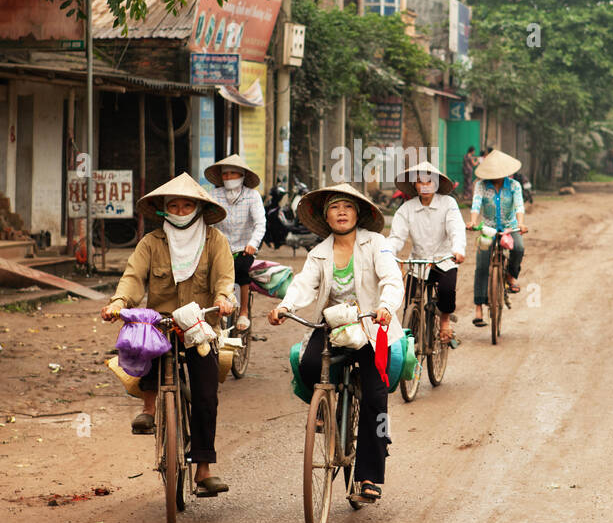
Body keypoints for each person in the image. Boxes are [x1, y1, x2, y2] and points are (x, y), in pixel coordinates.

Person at [268, 183, 404, 505]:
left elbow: (391, 279)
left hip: (371, 325)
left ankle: (369, 475)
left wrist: (386, 305)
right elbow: (304, 284)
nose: (341, 212)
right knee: (309, 362)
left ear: (358, 214)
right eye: (334, 207)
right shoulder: (319, 253)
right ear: (325, 217)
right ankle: (327, 410)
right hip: (333, 326)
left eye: (348, 207)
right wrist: (286, 307)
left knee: (374, 395)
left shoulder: (377, 244)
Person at [102, 172, 235, 496]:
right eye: (172, 206)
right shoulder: (151, 243)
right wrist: (118, 303)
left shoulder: (215, 241)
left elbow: (224, 278)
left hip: (200, 325)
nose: (179, 210)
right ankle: (149, 409)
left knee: (206, 394)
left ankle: (203, 470)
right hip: (160, 324)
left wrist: (223, 299)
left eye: (186, 204)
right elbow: (133, 278)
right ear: (164, 210)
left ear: (199, 208)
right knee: (141, 340)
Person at [386, 161, 466, 343]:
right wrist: (388, 253)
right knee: (409, 302)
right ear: (415, 184)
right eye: (420, 181)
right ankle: (410, 341)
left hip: (444, 259)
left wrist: (458, 249)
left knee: (446, 290)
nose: (425, 185)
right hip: (418, 263)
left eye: (429, 181)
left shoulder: (448, 203)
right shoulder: (406, 209)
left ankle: (445, 321)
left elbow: (456, 229)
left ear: (436, 184)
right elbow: (396, 237)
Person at [468, 149, 529, 326]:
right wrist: (472, 222)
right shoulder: (480, 185)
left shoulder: (514, 186)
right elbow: (475, 205)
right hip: (488, 228)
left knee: (519, 248)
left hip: (510, 227)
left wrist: (521, 224)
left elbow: (519, 206)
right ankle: (479, 307)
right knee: (481, 264)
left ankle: (510, 275)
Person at [205, 155, 265, 332]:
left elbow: (260, 223)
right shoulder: (214, 195)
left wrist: (253, 243)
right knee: (207, 273)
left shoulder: (252, 196)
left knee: (241, 270)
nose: (229, 177)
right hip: (219, 247)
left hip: (243, 248)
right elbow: (209, 221)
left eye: (233, 173)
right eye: (225, 174)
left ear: (242, 175)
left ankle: (244, 311)